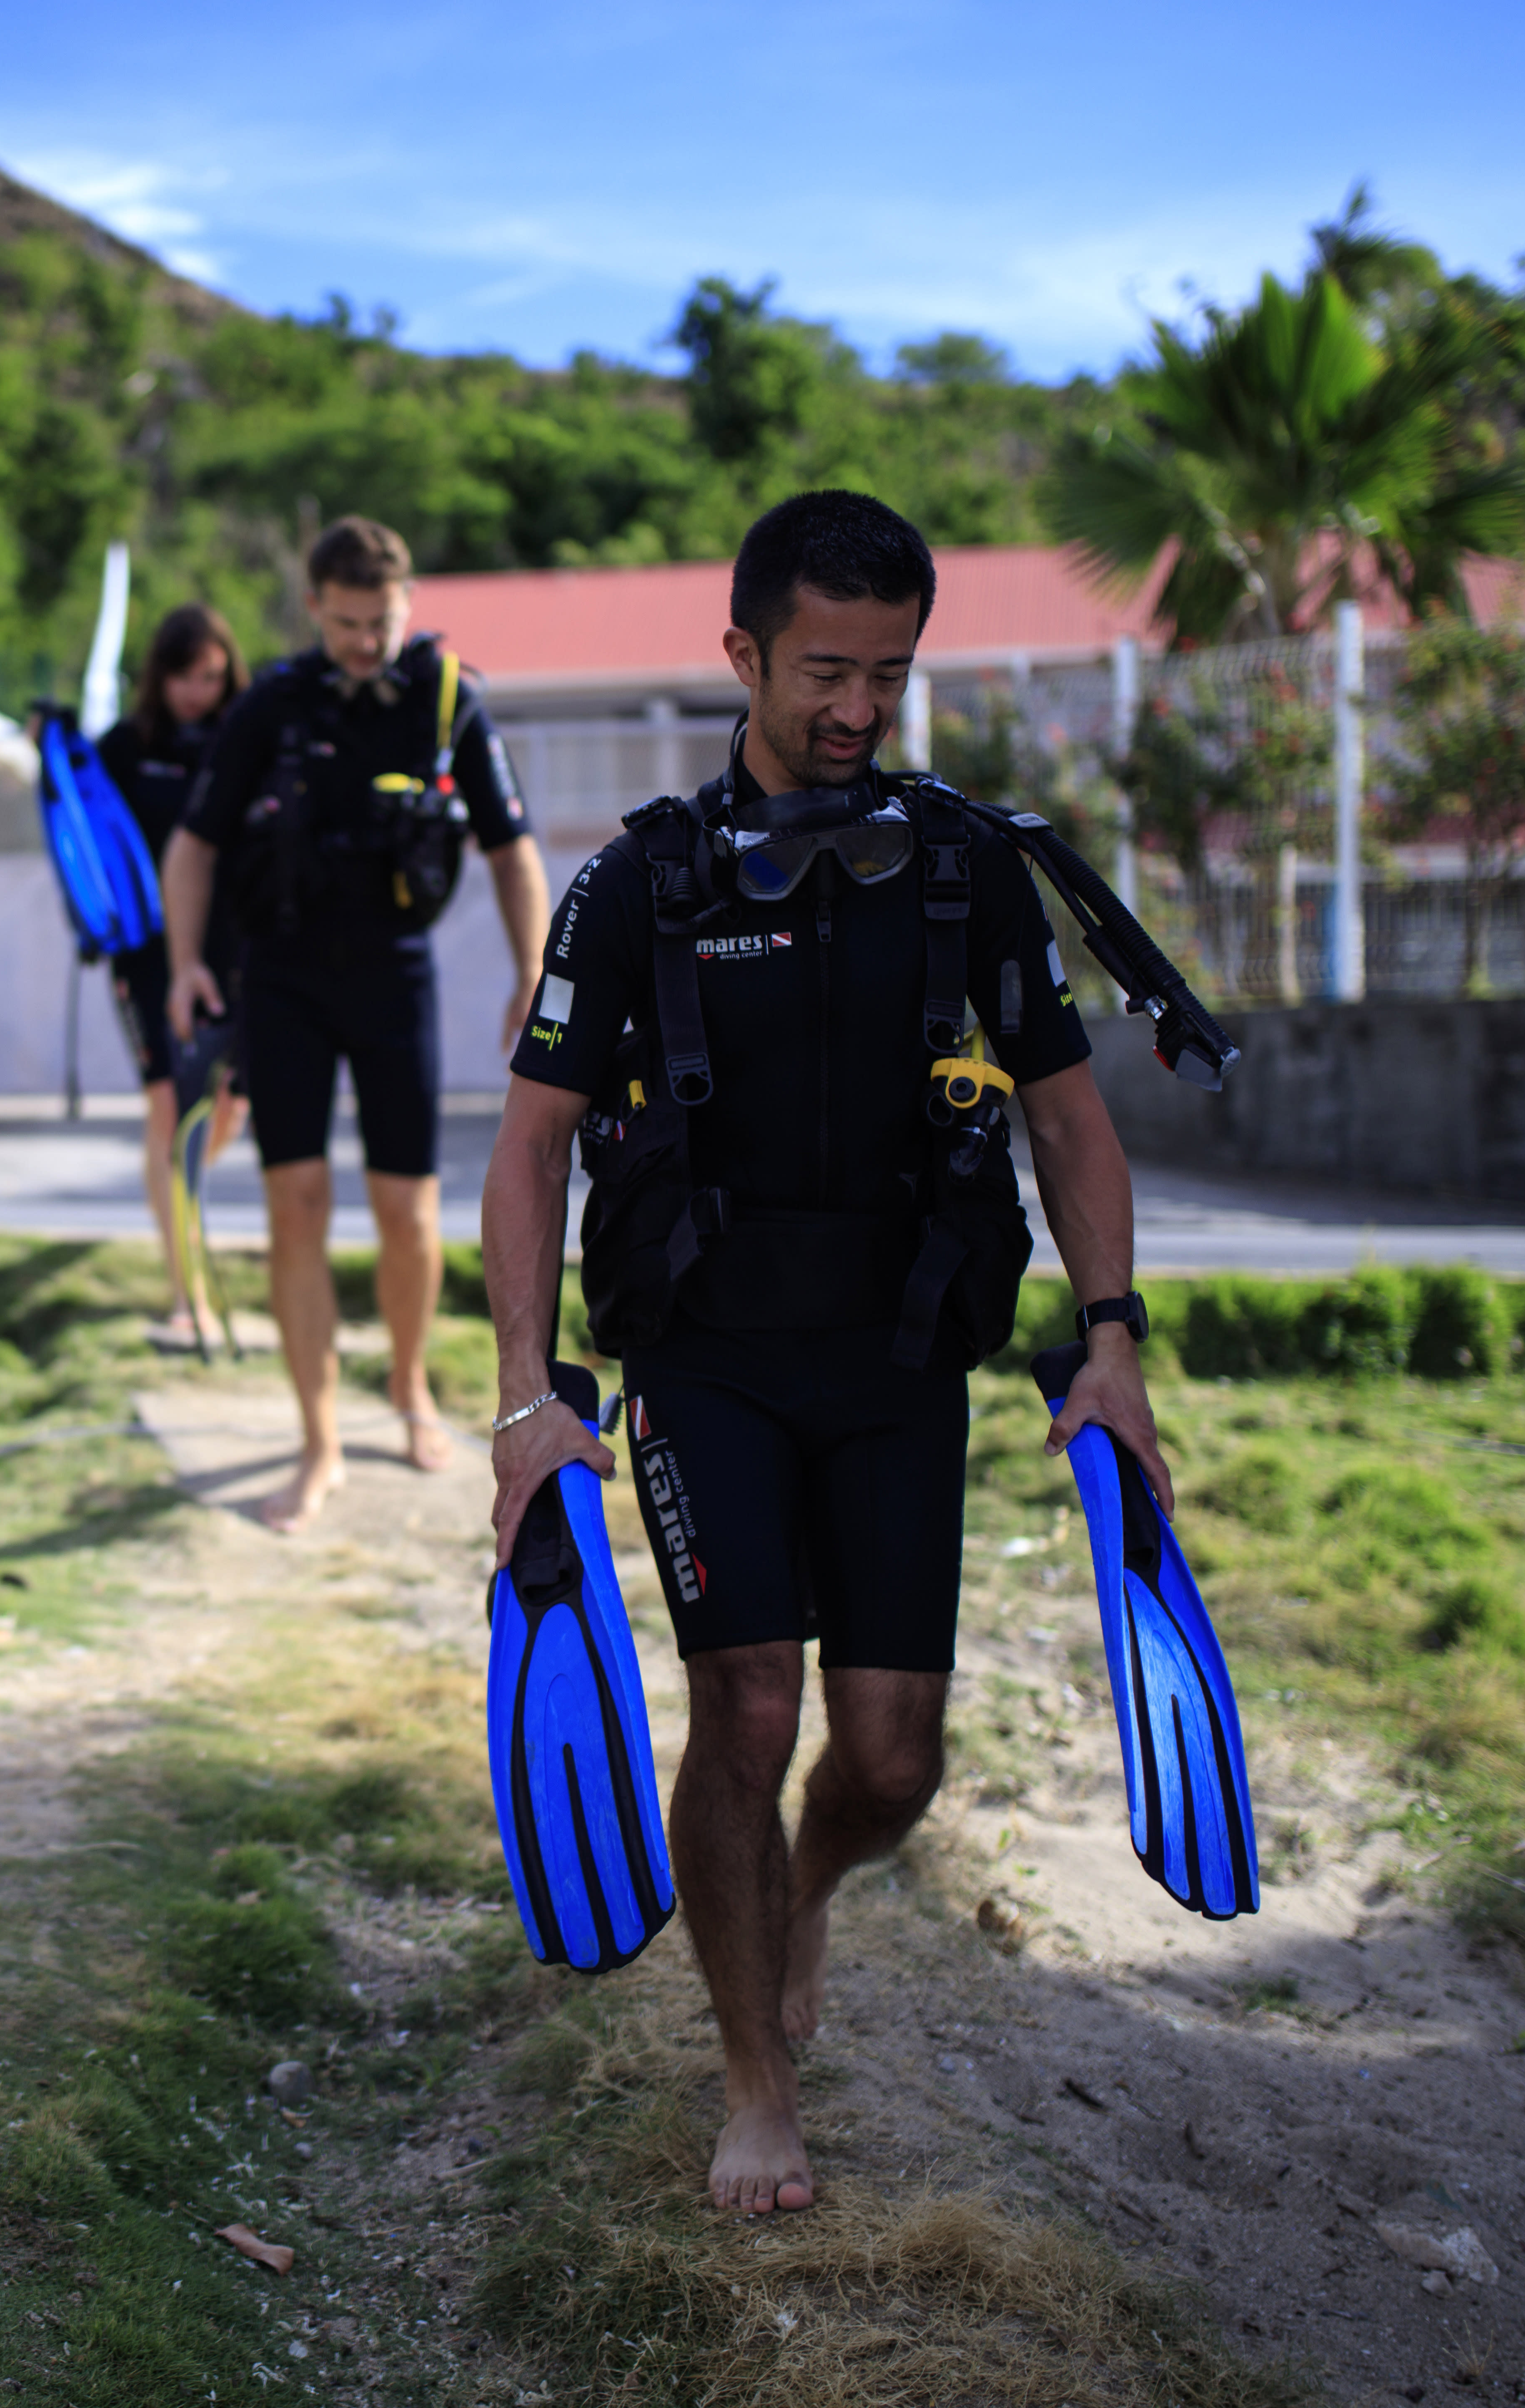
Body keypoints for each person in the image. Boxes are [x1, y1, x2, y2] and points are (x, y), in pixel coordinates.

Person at [477, 490, 1172, 2217]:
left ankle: (813, 1875)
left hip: (894, 1363)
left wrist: (1114, 1346)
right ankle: (754, 2076)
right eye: (824, 671)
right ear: (742, 655)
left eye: (890, 672)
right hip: (704, 1360)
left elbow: (1074, 1125)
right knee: (750, 1702)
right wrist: (523, 1399)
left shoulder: (965, 870)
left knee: (887, 1761)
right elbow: (528, 1143)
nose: (859, 708)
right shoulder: (634, 883)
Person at [165, 516, 550, 1533]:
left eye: (379, 622)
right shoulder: (271, 706)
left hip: (395, 977)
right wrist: (184, 964)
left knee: (407, 1209)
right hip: (283, 979)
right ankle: (318, 1438)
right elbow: (195, 844)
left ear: (407, 605)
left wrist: (533, 973)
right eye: (345, 624)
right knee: (296, 1201)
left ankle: (411, 1386)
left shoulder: (447, 697)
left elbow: (514, 850)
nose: (364, 642)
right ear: (314, 609)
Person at [99, 603, 248, 1344]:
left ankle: (169, 1180)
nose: (197, 691)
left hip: (230, 951)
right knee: (170, 1113)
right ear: (159, 676)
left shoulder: (238, 740)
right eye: (185, 677)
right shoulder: (123, 748)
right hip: (147, 957)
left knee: (225, 1112)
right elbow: (80, 825)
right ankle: (182, 1281)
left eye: (211, 677)